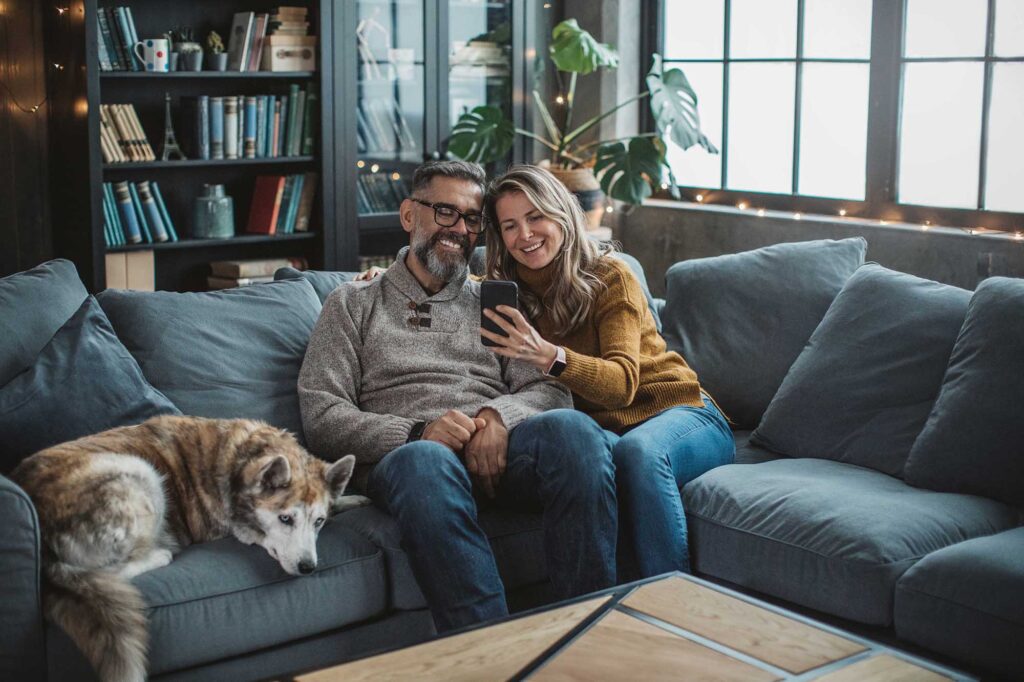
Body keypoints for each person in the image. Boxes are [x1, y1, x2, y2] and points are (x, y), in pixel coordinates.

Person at [298, 161, 617, 633]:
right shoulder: (353, 303)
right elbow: (322, 414)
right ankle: (494, 656)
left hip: (501, 457)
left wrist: (496, 416)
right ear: (409, 215)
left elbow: (548, 389)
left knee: (576, 433)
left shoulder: (493, 300)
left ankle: (588, 635)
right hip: (413, 461)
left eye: (471, 219)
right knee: (425, 461)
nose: (459, 230)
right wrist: (417, 432)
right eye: (445, 213)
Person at [479, 164, 734, 579]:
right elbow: (444, 286)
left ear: (561, 212)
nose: (524, 235)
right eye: (510, 226)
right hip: (612, 434)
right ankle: (608, 613)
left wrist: (549, 355)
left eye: (535, 217)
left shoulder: (610, 276)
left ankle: (666, 607)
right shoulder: (504, 291)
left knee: (637, 454)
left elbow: (621, 385)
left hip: (681, 412)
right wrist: (386, 274)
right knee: (601, 461)